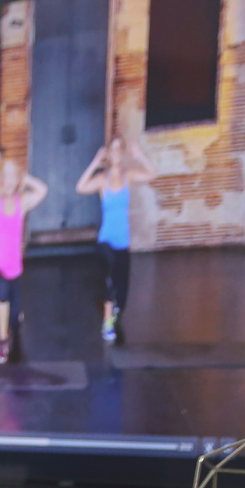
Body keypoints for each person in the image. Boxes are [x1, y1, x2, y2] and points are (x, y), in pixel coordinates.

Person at [75, 135, 153, 344]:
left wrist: (140, 156)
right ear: (108, 154)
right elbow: (80, 187)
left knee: (121, 290)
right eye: (113, 149)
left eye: (120, 149)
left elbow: (150, 174)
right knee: (108, 281)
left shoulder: (128, 176)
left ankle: (115, 313)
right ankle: (107, 323)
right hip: (106, 239)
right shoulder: (103, 179)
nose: (117, 153)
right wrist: (95, 162)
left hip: (123, 240)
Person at [0, 158, 47, 366]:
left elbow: (42, 190)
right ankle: (3, 343)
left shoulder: (22, 203)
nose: (9, 179)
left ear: (17, 180)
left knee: (14, 319)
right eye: (5, 175)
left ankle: (15, 322)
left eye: (13, 175)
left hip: (16, 271)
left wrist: (25, 178)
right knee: (2, 292)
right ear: (1, 179)